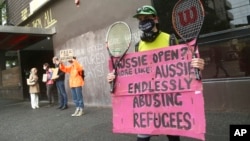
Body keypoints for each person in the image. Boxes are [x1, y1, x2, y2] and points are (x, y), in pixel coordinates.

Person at [107, 5, 205, 141]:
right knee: (142, 138)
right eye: (140, 19)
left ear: (156, 19)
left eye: (147, 18)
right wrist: (114, 78)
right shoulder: (138, 46)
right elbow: (135, 74)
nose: (143, 21)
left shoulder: (170, 39)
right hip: (147, 102)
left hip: (169, 100)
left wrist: (197, 65)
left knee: (173, 135)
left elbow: (182, 67)